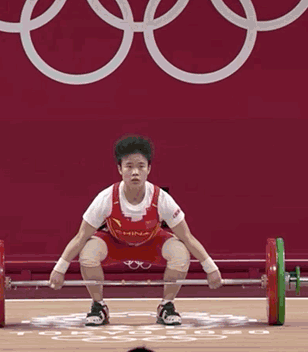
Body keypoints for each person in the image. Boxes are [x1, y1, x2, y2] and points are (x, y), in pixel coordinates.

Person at [48, 135, 223, 326]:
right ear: (119, 169)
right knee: (88, 251)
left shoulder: (161, 198)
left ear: (149, 169)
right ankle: (99, 306)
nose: (135, 172)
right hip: (115, 244)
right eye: (129, 166)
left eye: (140, 166)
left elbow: (187, 237)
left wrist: (211, 269)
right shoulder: (106, 198)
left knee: (180, 251)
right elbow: (81, 236)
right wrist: (59, 269)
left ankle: (166, 305)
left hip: (151, 245)